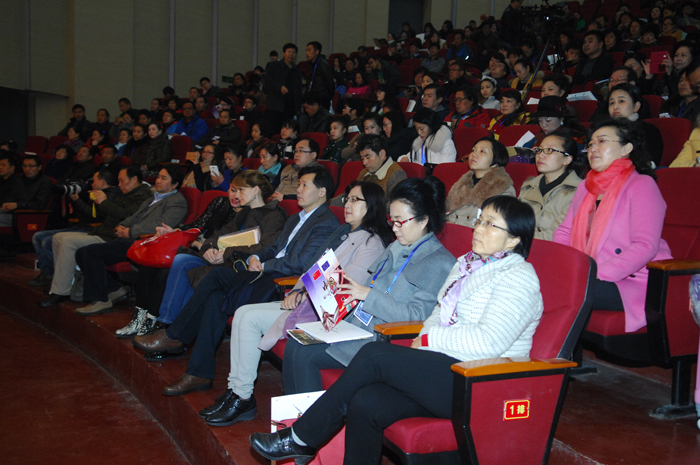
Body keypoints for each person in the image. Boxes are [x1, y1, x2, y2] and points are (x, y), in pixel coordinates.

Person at [250, 195, 542, 465]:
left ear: (513, 239)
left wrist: (427, 338)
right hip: (444, 367)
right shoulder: (466, 264)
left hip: (480, 382)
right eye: (479, 220)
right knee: (365, 402)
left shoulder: (518, 278)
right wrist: (426, 338)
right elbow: (438, 313)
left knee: (374, 354)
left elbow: (487, 343)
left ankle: (301, 437)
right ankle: (304, 440)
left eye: (490, 224)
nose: (478, 228)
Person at [132, 165, 340, 395]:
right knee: (215, 299)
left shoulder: (326, 223)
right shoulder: (295, 219)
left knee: (217, 276)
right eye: (298, 184)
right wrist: (255, 257)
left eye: (304, 185)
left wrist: (264, 265)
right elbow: (273, 248)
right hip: (261, 274)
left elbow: (303, 263)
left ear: (322, 192)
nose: (298, 189)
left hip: (281, 283)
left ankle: (175, 335)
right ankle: (198, 373)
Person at [199, 181, 393, 426]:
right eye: (347, 199)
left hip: (326, 314)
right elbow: (314, 269)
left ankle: (242, 397)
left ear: (372, 205)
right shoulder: (345, 234)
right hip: (308, 303)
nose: (347, 205)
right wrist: (299, 289)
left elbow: (344, 287)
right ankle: (236, 391)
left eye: (356, 200)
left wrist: (303, 293)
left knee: (249, 318)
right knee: (242, 313)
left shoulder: (371, 243)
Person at [284, 176, 456, 394]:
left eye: (400, 221)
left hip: (382, 338)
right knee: (296, 342)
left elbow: (417, 317)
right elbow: (368, 286)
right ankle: (297, 412)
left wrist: (367, 295)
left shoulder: (439, 262)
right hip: (355, 325)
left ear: (423, 221)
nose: (394, 228)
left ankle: (308, 415)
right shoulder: (395, 247)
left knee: (305, 354)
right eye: (392, 221)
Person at [119, 171, 286, 338]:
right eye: (234, 190)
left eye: (241, 190)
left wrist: (225, 253)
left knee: (183, 267)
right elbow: (216, 237)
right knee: (181, 260)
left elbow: (265, 248)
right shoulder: (243, 213)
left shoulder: (273, 215)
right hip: (220, 259)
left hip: (237, 266)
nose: (236, 195)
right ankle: (162, 320)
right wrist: (209, 249)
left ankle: (167, 324)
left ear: (256, 190)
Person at [554, 119, 673, 333]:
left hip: (631, 281)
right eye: (590, 144)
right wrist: (567, 266)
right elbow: (564, 231)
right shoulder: (585, 187)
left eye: (602, 141)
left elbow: (645, 246)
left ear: (626, 148)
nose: (593, 148)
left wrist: (593, 273)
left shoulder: (642, 185)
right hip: (589, 274)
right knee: (544, 279)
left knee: (559, 289)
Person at [72, 165, 188, 314]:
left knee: (91, 252)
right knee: (81, 252)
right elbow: (133, 217)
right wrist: (121, 226)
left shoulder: (176, 202)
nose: (158, 180)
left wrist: (130, 231)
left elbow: (161, 226)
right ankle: (114, 289)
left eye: (163, 178)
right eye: (158, 176)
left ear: (175, 183)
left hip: (145, 243)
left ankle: (100, 300)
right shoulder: (152, 198)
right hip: (130, 240)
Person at [36, 167, 153, 306]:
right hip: (102, 231)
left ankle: (60, 292)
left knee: (68, 242)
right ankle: (67, 284)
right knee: (57, 238)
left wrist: (104, 202)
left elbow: (126, 216)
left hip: (113, 236)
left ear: (134, 179)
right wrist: (98, 202)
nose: (119, 184)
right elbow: (102, 214)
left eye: (122, 181)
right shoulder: (123, 193)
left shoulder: (143, 197)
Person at [518, 131, 585, 240]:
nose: (540, 155)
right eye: (540, 150)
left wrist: (515, 239)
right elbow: (513, 222)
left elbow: (557, 235)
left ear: (567, 159)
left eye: (550, 150)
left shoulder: (578, 191)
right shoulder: (528, 186)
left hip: (549, 248)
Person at [446, 137, 515, 227]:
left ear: (495, 161)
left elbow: (499, 225)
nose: (474, 154)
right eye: (473, 150)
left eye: (482, 151)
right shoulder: (460, 185)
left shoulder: (503, 189)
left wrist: (456, 226)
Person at [608, 84, 663, 167]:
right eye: (611, 103)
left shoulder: (648, 130)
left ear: (636, 106)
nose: (615, 107)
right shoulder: (603, 131)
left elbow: (649, 163)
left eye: (621, 101)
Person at [0, 155, 52, 227]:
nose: (27, 169)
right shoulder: (21, 179)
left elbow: (39, 205)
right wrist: (7, 204)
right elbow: (12, 195)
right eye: (24, 166)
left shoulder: (45, 182)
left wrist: (18, 205)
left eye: (31, 166)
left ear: (39, 167)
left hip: (28, 215)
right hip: (14, 211)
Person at [265, 43, 304, 132]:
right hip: (275, 106)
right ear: (283, 53)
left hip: (290, 106)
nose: (291, 54)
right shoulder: (274, 66)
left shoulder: (297, 69)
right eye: (289, 52)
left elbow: (298, 89)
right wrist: (279, 87)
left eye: (293, 52)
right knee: (274, 131)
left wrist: (298, 106)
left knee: (287, 131)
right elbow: (268, 81)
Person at [304, 41, 335, 109]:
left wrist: (328, 98)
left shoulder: (323, 65)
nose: (307, 53)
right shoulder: (312, 64)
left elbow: (330, 82)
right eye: (306, 50)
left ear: (317, 52)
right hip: (314, 98)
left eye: (309, 50)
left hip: (322, 99)